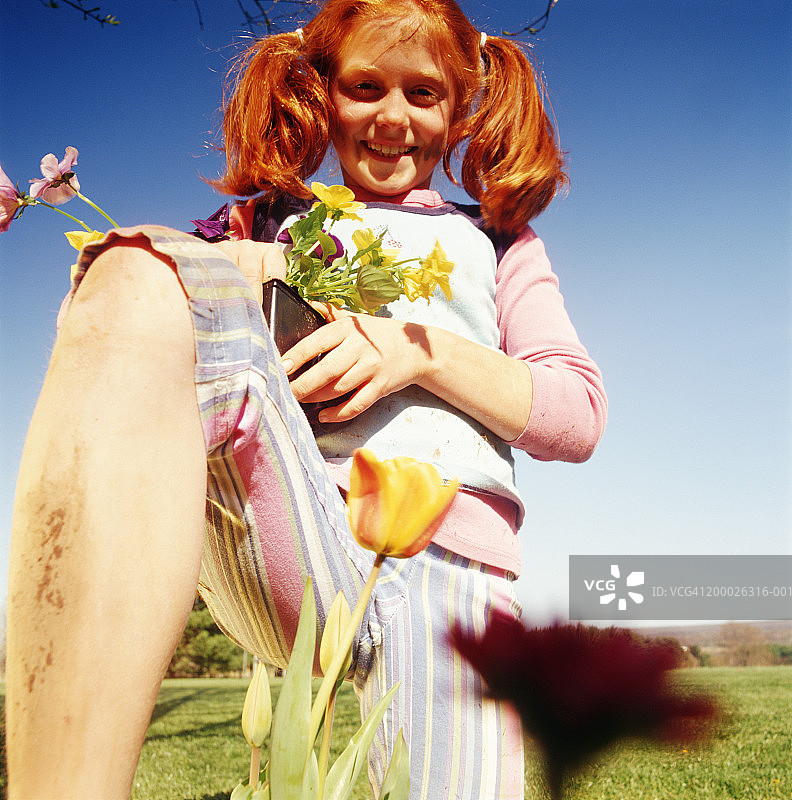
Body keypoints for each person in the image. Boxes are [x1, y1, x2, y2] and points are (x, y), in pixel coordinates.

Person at [6, 0, 607, 798]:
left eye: (423, 93)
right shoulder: (268, 222)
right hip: (297, 528)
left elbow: (577, 414)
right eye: (366, 86)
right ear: (325, 92)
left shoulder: (497, 243)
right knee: (135, 273)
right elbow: (124, 349)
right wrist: (239, 264)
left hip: (453, 567)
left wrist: (415, 350)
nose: (392, 116)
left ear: (459, 108)